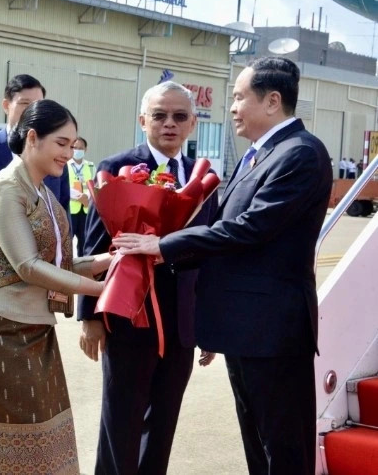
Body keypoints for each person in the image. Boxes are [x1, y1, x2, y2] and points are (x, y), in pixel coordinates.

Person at [115, 57, 332, 475]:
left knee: (284, 449)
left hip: (273, 332)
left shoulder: (300, 154)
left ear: (272, 101)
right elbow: (221, 228)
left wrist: (163, 245)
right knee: (258, 445)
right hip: (247, 329)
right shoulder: (260, 154)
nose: (231, 107)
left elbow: (249, 229)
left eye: (238, 97)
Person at [0, 100, 111, 474]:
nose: (70, 154)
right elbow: (28, 267)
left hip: (35, 329)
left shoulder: (41, 191)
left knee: (43, 440)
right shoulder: (7, 189)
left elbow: (58, 263)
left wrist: (108, 263)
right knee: (3, 448)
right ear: (33, 137)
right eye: (62, 143)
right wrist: (103, 291)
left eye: (73, 145)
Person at [78, 81, 219, 475]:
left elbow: (212, 252)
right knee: (120, 420)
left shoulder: (203, 179)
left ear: (193, 123)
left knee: (163, 423)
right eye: (159, 116)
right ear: (143, 121)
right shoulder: (115, 168)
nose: (169, 124)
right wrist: (89, 317)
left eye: (179, 117)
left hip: (183, 322)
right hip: (128, 317)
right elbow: (95, 249)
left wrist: (209, 324)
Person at [0, 74, 70, 295]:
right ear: (6, 105)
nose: (31, 112)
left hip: (43, 274)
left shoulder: (55, 153)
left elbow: (63, 212)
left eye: (37, 105)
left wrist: (63, 265)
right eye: (25, 104)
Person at [68, 137, 94, 257]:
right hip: (70, 210)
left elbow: (95, 185)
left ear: (86, 149)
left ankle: (83, 269)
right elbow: (63, 186)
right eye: (75, 148)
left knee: (84, 242)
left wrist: (86, 197)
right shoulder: (65, 165)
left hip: (86, 210)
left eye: (80, 148)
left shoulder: (91, 166)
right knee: (67, 242)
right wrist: (78, 196)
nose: (77, 150)